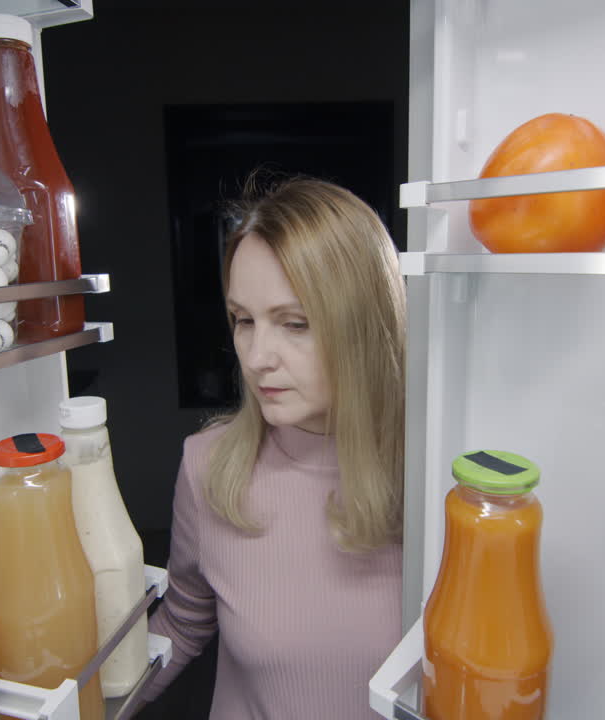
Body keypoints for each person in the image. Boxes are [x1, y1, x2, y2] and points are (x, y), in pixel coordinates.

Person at [137, 176, 407, 719]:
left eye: (295, 323)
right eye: (243, 320)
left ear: (364, 325)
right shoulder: (208, 466)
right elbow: (184, 620)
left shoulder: (432, 476)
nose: (257, 356)